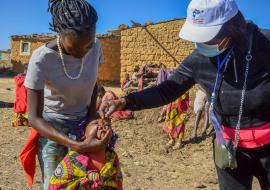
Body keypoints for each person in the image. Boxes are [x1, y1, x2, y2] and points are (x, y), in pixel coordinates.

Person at [99, 0, 270, 189]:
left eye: (208, 36)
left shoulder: (265, 44)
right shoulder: (199, 60)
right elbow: (167, 90)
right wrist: (125, 101)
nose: (202, 43)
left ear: (231, 27)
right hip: (228, 147)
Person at [23, 0, 111, 188]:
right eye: (76, 47)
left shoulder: (96, 46)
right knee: (55, 183)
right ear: (60, 35)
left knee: (88, 182)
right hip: (52, 130)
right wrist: (75, 145)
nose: (84, 51)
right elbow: (34, 118)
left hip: (83, 126)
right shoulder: (41, 59)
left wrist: (92, 117)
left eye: (88, 45)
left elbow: (93, 82)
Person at [48, 119, 123, 190]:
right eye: (96, 123)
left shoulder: (112, 157)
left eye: (107, 125)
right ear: (83, 134)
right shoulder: (73, 158)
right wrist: (85, 181)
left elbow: (117, 182)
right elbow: (57, 184)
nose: (101, 126)